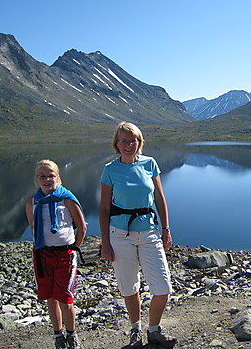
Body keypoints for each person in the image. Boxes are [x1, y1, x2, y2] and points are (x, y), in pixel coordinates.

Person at [99, 122, 177, 348]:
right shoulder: (110, 169)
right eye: (123, 140)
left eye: (132, 140)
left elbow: (160, 199)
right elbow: (104, 209)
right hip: (120, 234)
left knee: (162, 287)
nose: (128, 145)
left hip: (150, 231)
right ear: (116, 143)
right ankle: (135, 329)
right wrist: (105, 242)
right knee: (130, 286)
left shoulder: (150, 164)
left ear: (139, 143)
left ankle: (154, 330)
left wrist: (166, 228)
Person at [26, 159, 87, 349]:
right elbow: (34, 229)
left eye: (51, 175)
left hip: (64, 255)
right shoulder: (32, 202)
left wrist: (73, 248)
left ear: (58, 177)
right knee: (50, 297)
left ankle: (71, 334)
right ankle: (58, 335)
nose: (47, 179)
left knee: (65, 298)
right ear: (36, 179)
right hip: (42, 256)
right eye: (42, 176)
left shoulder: (67, 199)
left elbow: (82, 227)